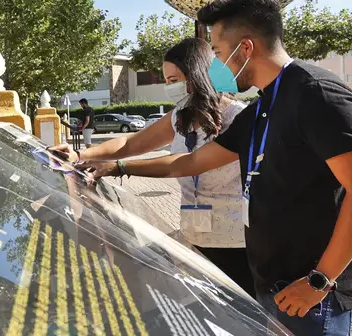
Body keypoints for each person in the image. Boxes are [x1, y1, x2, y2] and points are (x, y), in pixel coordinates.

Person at [103, 0, 352, 336]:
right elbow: (187, 162)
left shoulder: (316, 94)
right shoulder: (264, 107)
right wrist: (119, 168)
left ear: (246, 48)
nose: (216, 65)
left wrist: (319, 282)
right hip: (274, 288)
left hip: (314, 296)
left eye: (219, 53)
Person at [50, 38, 253, 296]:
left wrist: (121, 167)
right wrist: (80, 153)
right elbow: (130, 142)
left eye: (173, 80)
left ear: (198, 74)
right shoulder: (182, 114)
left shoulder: (238, 118)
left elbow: (185, 165)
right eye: (166, 81)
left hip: (236, 245)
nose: (170, 87)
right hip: (194, 238)